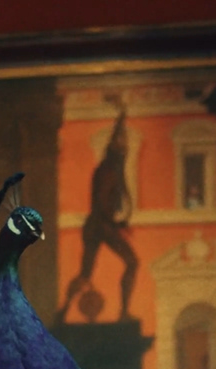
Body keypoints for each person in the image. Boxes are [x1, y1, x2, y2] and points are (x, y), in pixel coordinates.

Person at [56, 97, 139, 323]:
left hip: (95, 225)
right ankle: (123, 312)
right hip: (101, 225)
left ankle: (63, 310)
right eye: (122, 150)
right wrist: (115, 225)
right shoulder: (109, 171)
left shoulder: (108, 169)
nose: (125, 151)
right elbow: (103, 203)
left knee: (85, 274)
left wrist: (121, 115)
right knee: (132, 263)